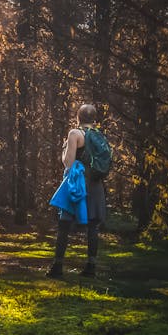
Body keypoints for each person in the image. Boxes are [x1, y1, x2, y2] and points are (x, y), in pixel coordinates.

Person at [46, 103, 107, 280]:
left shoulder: (75, 134)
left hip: (78, 184)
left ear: (78, 117)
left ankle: (57, 266)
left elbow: (68, 163)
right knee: (93, 227)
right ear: (94, 119)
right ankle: (91, 267)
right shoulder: (100, 136)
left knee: (64, 224)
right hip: (95, 184)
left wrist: (64, 150)